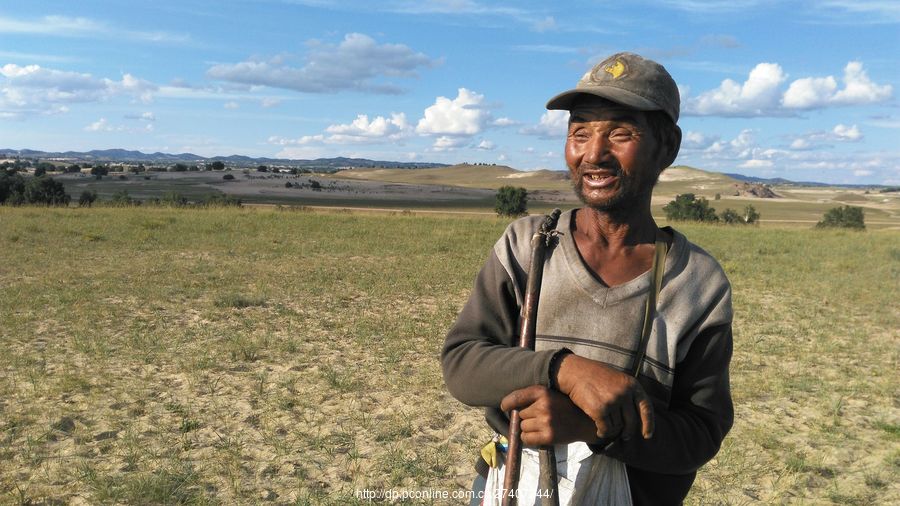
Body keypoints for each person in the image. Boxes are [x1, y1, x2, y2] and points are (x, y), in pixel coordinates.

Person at [442, 52, 733, 505]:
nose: (594, 153)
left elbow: (701, 432)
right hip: (515, 484)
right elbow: (462, 362)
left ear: (668, 146)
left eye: (620, 133)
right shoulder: (527, 246)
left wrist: (593, 427)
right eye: (580, 132)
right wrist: (563, 369)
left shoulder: (697, 283)